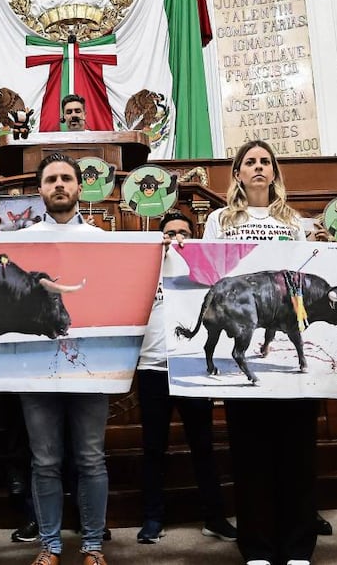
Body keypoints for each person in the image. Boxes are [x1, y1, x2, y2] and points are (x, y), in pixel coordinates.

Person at [202, 140, 316, 565]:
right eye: (250, 162)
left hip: (284, 335)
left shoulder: (294, 221)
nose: (258, 167)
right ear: (237, 173)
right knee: (249, 453)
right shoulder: (220, 220)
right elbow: (216, 271)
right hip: (245, 328)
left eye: (265, 162)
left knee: (297, 452)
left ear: (274, 173)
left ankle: (298, 545)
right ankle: (257, 547)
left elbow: (304, 278)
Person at [20, 153, 108, 565]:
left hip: (92, 367)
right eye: (51, 179)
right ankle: (50, 546)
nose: (59, 184)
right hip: (36, 368)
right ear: (39, 190)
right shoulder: (20, 243)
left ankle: (92, 546)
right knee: (45, 460)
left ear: (79, 187)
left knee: (91, 458)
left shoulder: (104, 241)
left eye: (66, 178)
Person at [135, 211, 237, 545]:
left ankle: (214, 517)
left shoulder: (202, 269)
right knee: (153, 448)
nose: (176, 236)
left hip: (191, 367)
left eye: (183, 232)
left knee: (203, 446)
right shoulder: (144, 265)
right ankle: (152, 518)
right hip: (152, 368)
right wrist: (156, 252)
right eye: (170, 232)